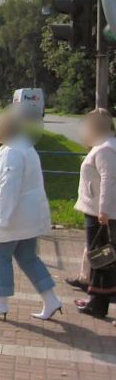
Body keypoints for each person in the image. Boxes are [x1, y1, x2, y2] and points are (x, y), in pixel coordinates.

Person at [0, 109, 62, 321]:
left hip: (10, 219)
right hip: (26, 218)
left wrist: (0, 219)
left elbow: (8, 187)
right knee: (29, 258)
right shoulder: (26, 148)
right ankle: (51, 300)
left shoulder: (12, 152)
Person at [73, 108, 116, 318]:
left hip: (101, 213)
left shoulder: (105, 149)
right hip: (100, 210)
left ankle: (97, 304)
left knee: (100, 258)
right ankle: (96, 300)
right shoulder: (105, 146)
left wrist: (104, 210)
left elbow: (109, 180)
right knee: (102, 257)